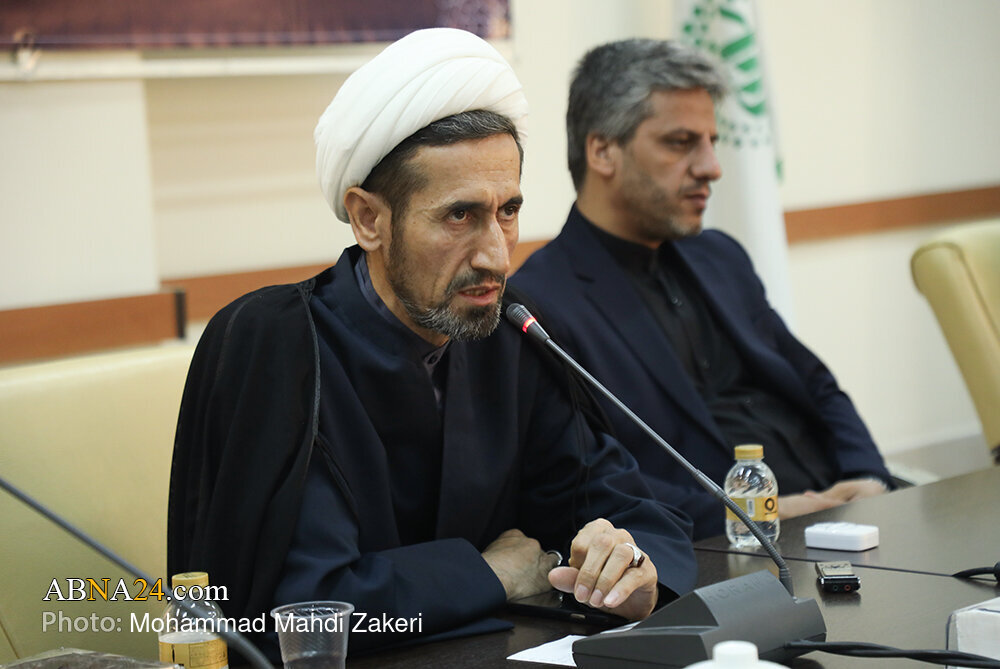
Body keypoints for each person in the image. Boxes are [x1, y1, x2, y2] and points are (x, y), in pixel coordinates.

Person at [166, 29, 696, 656]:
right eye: (459, 215)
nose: (496, 256)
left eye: (507, 211)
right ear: (369, 218)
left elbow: (628, 511)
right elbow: (307, 608)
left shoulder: (507, 333)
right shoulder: (279, 344)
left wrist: (631, 570)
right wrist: (492, 574)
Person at [511, 39, 893, 541]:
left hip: (844, 514)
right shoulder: (539, 304)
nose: (712, 166)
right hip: (725, 547)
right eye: (681, 142)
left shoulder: (720, 256)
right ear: (602, 151)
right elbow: (583, 479)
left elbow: (814, 383)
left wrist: (868, 476)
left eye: (711, 141)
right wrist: (751, 514)